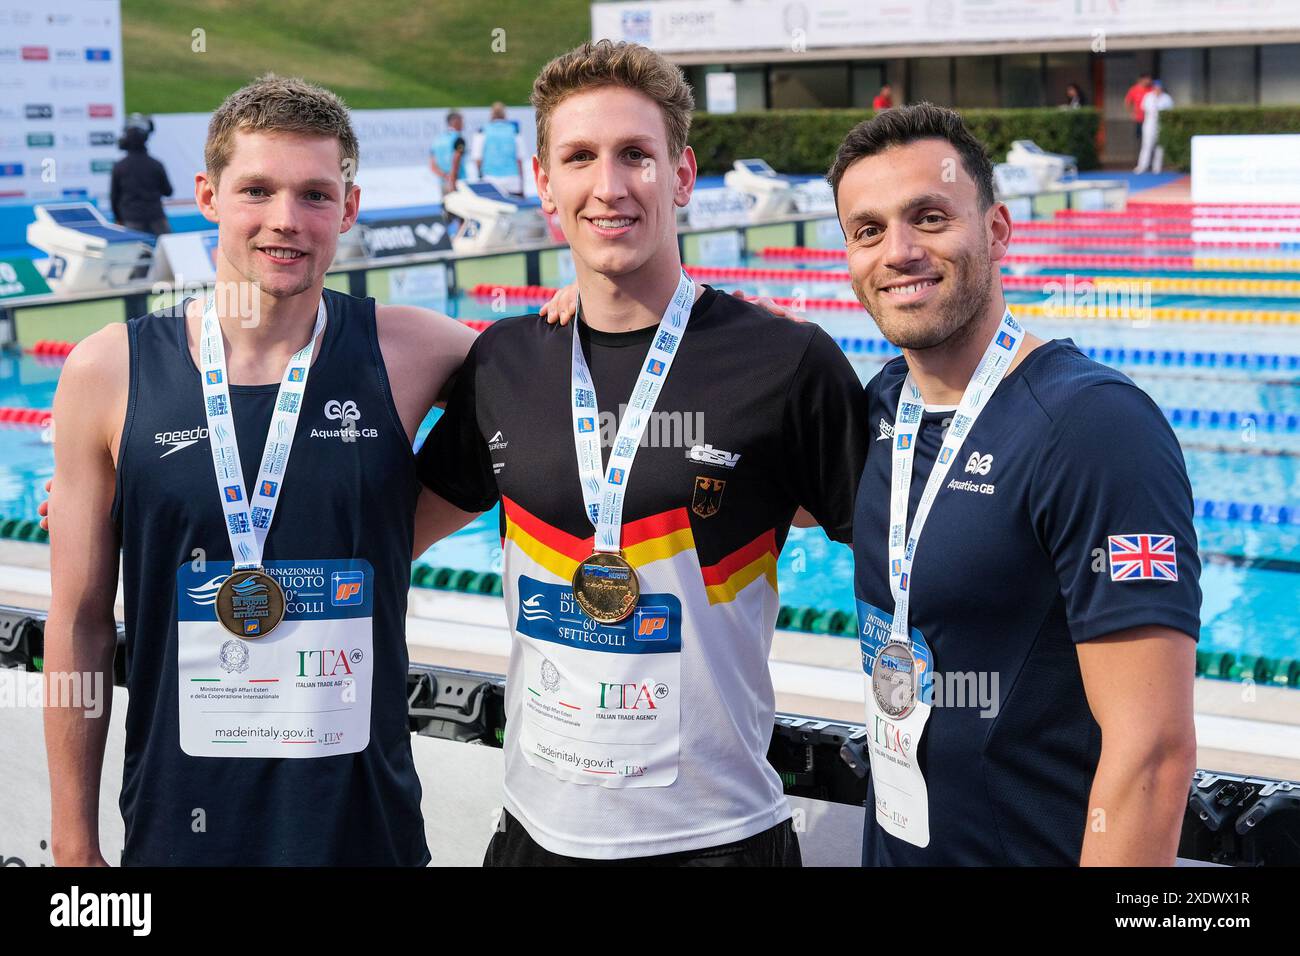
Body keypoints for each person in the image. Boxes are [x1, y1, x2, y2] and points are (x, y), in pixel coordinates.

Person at [418, 39, 869, 866]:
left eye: (637, 155)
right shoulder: (508, 362)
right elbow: (386, 530)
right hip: (534, 837)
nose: (610, 185)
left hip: (720, 841)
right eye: (580, 157)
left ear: (684, 175)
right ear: (544, 182)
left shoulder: (784, 361)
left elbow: (901, 557)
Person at [43, 74, 478, 866]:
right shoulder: (109, 372)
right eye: (257, 190)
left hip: (365, 828)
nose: (286, 220)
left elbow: (565, 381)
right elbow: (76, 625)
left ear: (348, 209)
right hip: (180, 825)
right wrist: (74, 842)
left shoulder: (414, 351)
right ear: (209, 196)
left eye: (315, 195)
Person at [827, 103, 1200, 865]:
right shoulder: (881, 411)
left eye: (928, 218)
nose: (898, 251)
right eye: (867, 231)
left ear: (996, 230)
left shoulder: (1093, 427)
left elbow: (1153, 756)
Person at [110, 121, 173, 236]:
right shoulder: (156, 164)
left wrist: (118, 219)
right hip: (156, 218)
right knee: (168, 249)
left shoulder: (119, 166)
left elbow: (114, 197)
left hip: (131, 219)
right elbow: (168, 191)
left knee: (134, 252)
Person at [471, 101, 525, 195]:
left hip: (490, 180)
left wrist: (481, 177)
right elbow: (519, 160)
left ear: (491, 114)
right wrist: (522, 184)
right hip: (512, 180)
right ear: (504, 114)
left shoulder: (482, 131)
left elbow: (477, 159)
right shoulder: (514, 131)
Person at [1134, 80, 1174, 174]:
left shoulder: (1166, 98)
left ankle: (1157, 168)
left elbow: (1170, 111)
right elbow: (1145, 108)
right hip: (1149, 123)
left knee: (1160, 146)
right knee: (1147, 145)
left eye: (1159, 88)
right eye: (1156, 88)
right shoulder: (1148, 96)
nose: (1157, 89)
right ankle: (1142, 166)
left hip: (1161, 124)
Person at [430, 110, 467, 196]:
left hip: (443, 182)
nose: (463, 124)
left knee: (446, 207)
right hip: (457, 182)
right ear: (456, 122)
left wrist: (444, 176)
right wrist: (452, 181)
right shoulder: (459, 139)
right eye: (461, 121)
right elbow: (456, 159)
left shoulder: (437, 139)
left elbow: (432, 165)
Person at [1124, 72, 1153, 143]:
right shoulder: (1134, 89)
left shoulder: (1151, 89)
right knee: (1140, 137)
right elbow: (1127, 102)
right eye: (1147, 79)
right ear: (1141, 79)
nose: (1149, 81)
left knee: (1150, 137)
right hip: (1139, 118)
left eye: (1149, 79)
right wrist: (1132, 113)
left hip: (1150, 118)